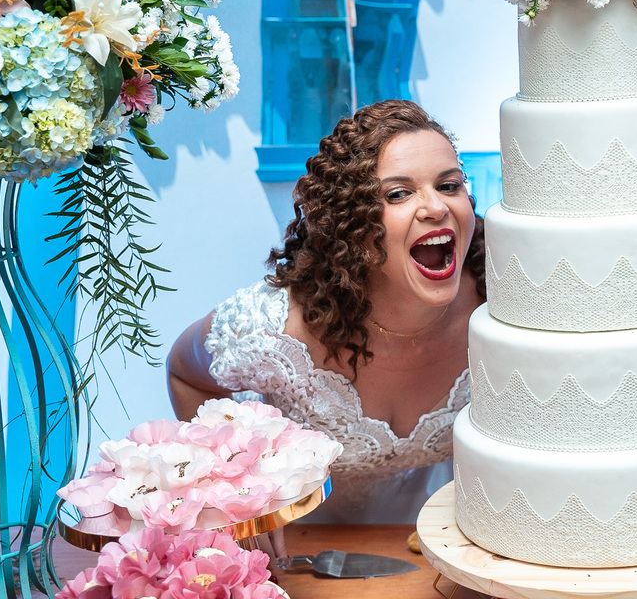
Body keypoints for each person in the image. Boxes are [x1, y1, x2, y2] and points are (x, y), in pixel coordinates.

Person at [168, 99, 485, 524]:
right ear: (351, 223)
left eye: (448, 186)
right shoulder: (277, 329)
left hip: (441, 538)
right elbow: (184, 373)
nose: (437, 207)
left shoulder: (502, 305)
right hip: (302, 546)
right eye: (398, 194)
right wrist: (236, 494)